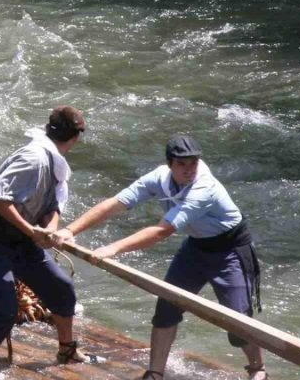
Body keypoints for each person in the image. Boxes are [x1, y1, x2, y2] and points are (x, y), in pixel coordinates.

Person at [51, 134, 265, 380]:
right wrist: (69, 230)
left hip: (230, 251)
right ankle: (155, 373)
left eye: (193, 163)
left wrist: (113, 249)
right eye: (182, 164)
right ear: (169, 164)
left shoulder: (204, 188)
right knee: (166, 309)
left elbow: (162, 231)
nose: (189, 170)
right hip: (196, 248)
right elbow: (115, 204)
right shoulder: (158, 178)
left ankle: (258, 369)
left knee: (238, 323)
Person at [0, 107, 98, 376]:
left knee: (62, 289)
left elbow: (51, 205)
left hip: (22, 243)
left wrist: (51, 230)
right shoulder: (35, 159)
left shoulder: (54, 162)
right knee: (6, 309)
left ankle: (67, 349)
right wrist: (32, 231)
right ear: (76, 137)